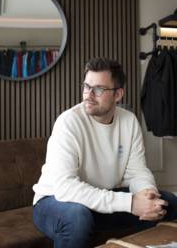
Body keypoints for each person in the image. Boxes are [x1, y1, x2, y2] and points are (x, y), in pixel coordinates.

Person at [33, 58, 177, 248]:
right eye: (86, 86)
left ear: (118, 94)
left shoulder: (129, 121)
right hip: (54, 201)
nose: (89, 95)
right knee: (77, 217)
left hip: (98, 200)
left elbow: (137, 172)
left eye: (99, 89)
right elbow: (65, 188)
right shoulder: (68, 122)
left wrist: (147, 194)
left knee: (167, 203)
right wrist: (131, 203)